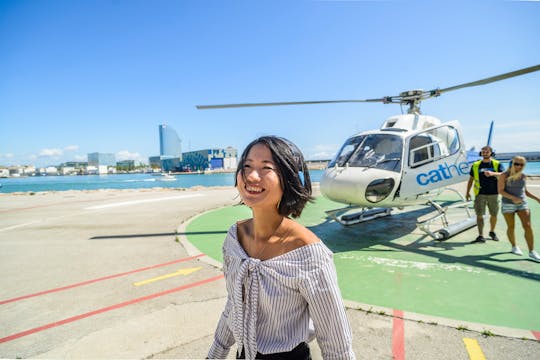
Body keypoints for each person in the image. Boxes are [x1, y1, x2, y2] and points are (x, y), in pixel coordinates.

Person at [207, 136, 356, 360]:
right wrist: (215, 354)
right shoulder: (234, 239)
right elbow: (234, 305)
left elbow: (336, 343)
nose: (251, 176)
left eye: (266, 168)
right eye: (246, 166)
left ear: (287, 179)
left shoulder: (309, 253)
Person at [496, 156, 540, 261]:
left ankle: (532, 251)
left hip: (522, 204)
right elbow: (500, 191)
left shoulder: (523, 176)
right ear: (511, 163)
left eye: (521, 164)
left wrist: (536, 198)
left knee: (528, 226)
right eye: (516, 164)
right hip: (508, 204)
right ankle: (514, 247)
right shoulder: (504, 175)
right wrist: (513, 198)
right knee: (511, 227)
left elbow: (524, 191)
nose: (519, 166)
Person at [465, 145, 504, 243]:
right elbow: (471, 179)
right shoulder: (476, 165)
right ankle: (481, 235)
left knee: (494, 214)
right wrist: (467, 192)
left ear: (491, 153)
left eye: (487, 151)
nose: (485, 153)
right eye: (483, 151)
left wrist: (493, 174)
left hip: (494, 193)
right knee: (479, 215)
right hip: (480, 193)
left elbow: (504, 175)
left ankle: (492, 232)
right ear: (481, 153)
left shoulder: (497, 164)